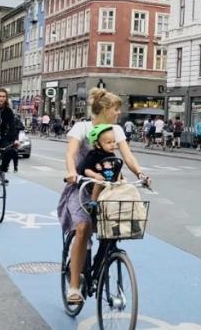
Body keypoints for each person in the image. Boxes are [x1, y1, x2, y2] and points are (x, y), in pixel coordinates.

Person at [58, 88, 149, 304]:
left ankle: (102, 262)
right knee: (82, 228)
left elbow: (128, 157)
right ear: (106, 109)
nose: (119, 113)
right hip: (82, 186)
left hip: (107, 188)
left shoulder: (115, 130)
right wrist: (71, 172)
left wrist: (140, 173)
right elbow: (71, 153)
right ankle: (73, 287)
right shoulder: (82, 127)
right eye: (116, 109)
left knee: (116, 224)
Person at [79, 124, 123, 204]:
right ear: (98, 145)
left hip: (110, 182)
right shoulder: (94, 155)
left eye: (114, 141)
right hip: (95, 182)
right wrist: (95, 175)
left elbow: (118, 170)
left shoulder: (112, 156)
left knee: (125, 185)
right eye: (109, 142)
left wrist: (119, 180)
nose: (113, 144)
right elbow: (87, 170)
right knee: (99, 183)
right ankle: (93, 202)